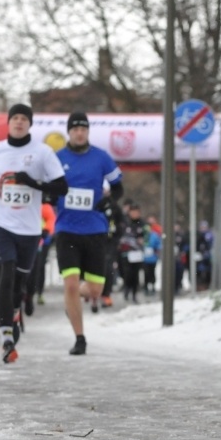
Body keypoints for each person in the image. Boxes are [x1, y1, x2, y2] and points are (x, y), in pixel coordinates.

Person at [0, 104, 68, 363]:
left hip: (28, 229)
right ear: (8, 122)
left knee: (18, 284)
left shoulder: (42, 152)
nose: (18, 122)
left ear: (30, 124)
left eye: (24, 118)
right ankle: (6, 339)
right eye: (14, 117)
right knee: (4, 274)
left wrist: (34, 183)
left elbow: (62, 187)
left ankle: (14, 311)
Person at [54, 112, 123, 354]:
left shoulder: (101, 157)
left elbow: (118, 188)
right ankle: (80, 338)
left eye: (83, 128)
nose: (79, 132)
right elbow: (49, 188)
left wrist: (108, 203)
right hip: (66, 229)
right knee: (71, 284)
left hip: (95, 229)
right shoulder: (57, 158)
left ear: (88, 132)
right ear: (69, 132)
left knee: (95, 290)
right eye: (75, 129)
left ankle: (71, 301)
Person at [24, 198, 56, 315]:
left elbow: (51, 220)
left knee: (38, 268)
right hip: (22, 241)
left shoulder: (44, 206)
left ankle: (37, 293)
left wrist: (46, 232)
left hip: (41, 242)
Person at [119, 203, 145, 303]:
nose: (134, 214)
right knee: (127, 273)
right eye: (132, 212)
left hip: (137, 253)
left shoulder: (142, 224)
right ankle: (127, 289)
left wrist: (142, 241)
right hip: (126, 253)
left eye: (136, 212)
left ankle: (134, 293)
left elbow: (146, 236)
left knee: (135, 274)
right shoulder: (125, 223)